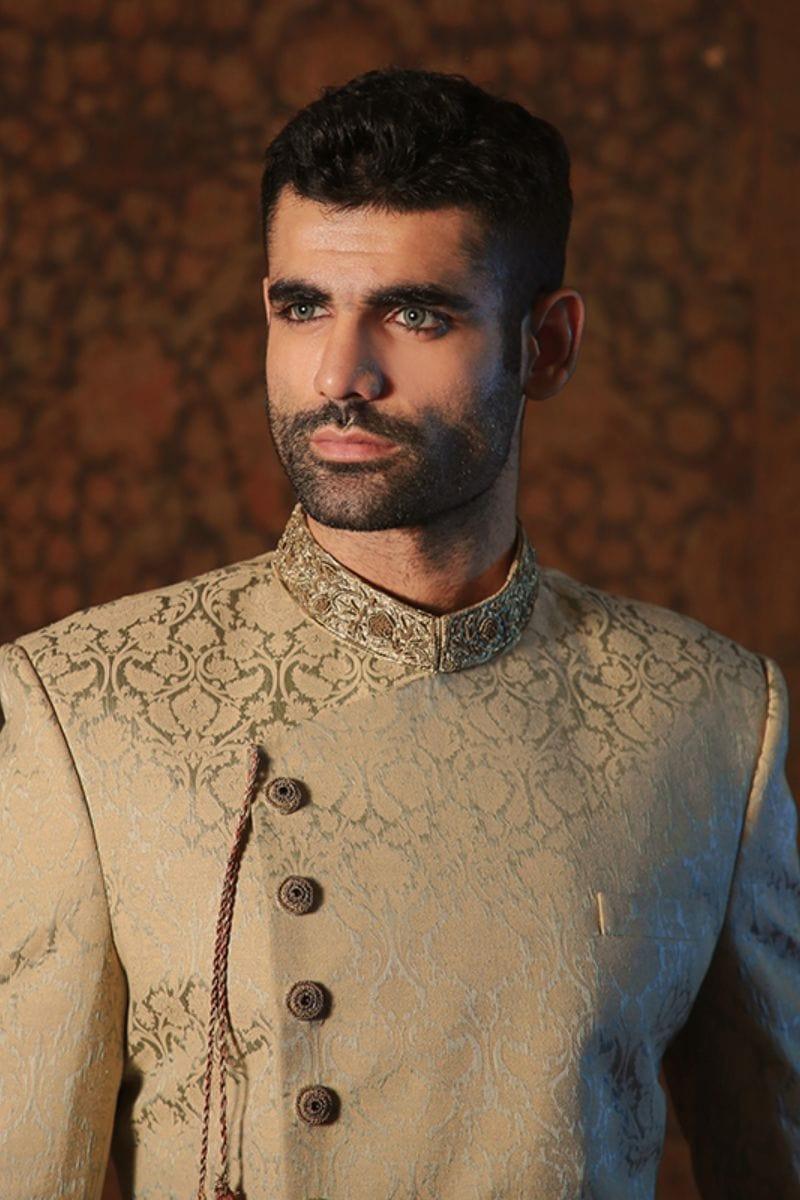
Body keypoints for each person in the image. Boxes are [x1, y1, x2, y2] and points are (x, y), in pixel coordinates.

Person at [0, 66, 797, 1200]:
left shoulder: (710, 718)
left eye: (416, 315)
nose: (339, 374)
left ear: (546, 346)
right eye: (302, 307)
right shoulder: (82, 704)